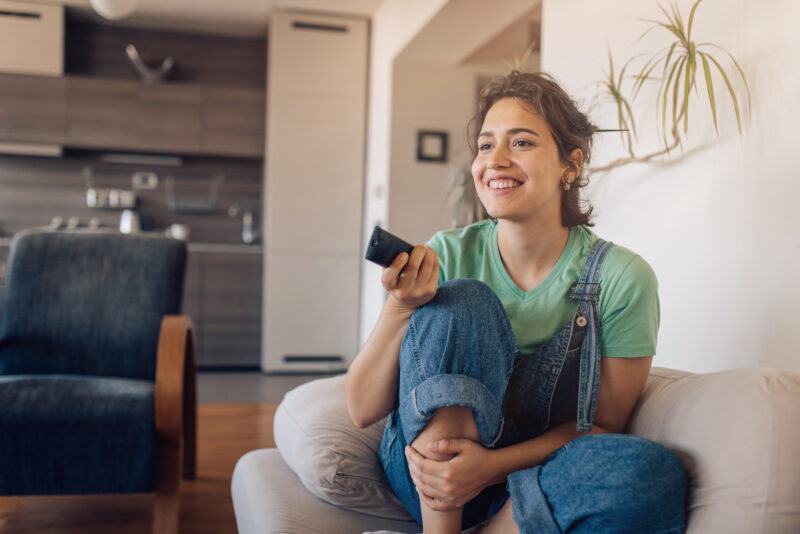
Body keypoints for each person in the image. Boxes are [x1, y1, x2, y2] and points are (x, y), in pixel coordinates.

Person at [345, 71, 687, 534]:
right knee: (465, 300)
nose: (495, 161)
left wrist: (490, 466)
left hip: (532, 479)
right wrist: (400, 307)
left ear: (572, 164)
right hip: (427, 483)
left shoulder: (622, 278)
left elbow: (600, 428)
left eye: (521, 143)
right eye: (486, 146)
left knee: (652, 473)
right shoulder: (447, 254)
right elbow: (362, 409)